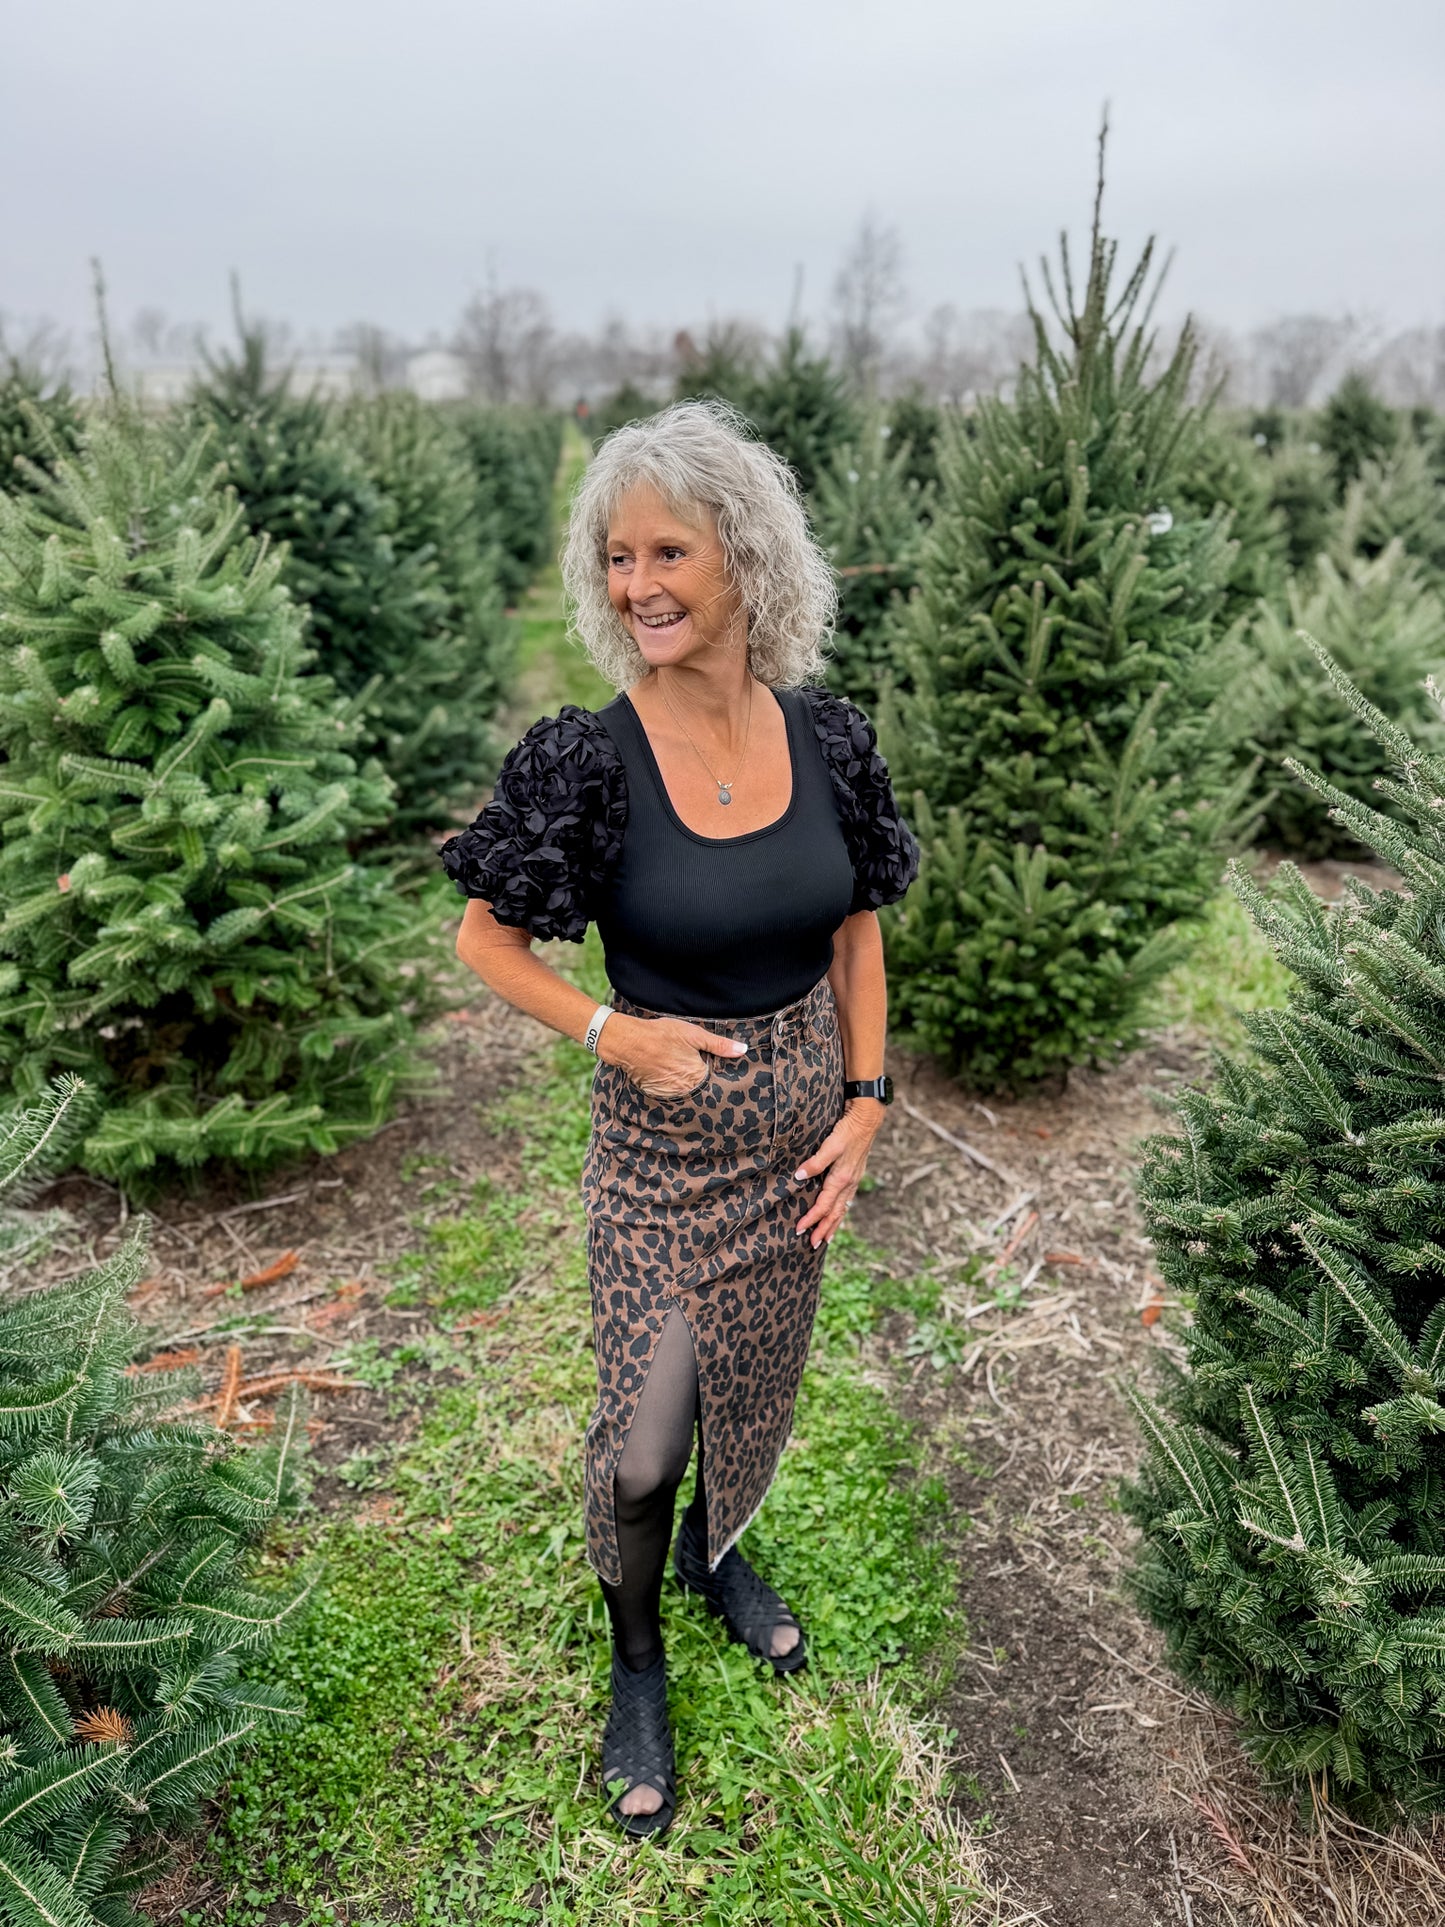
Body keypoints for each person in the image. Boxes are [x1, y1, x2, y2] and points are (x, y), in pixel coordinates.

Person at [440, 399, 920, 1839]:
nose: (637, 584)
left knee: (751, 1388)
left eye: (669, 552)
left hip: (799, 1146)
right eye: (618, 555)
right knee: (645, 1444)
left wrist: (865, 1103)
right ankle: (636, 1661)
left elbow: (855, 930)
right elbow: (483, 941)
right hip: (662, 1153)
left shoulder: (827, 737)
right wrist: (614, 1032)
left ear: (746, 560)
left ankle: (721, 1554)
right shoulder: (587, 762)